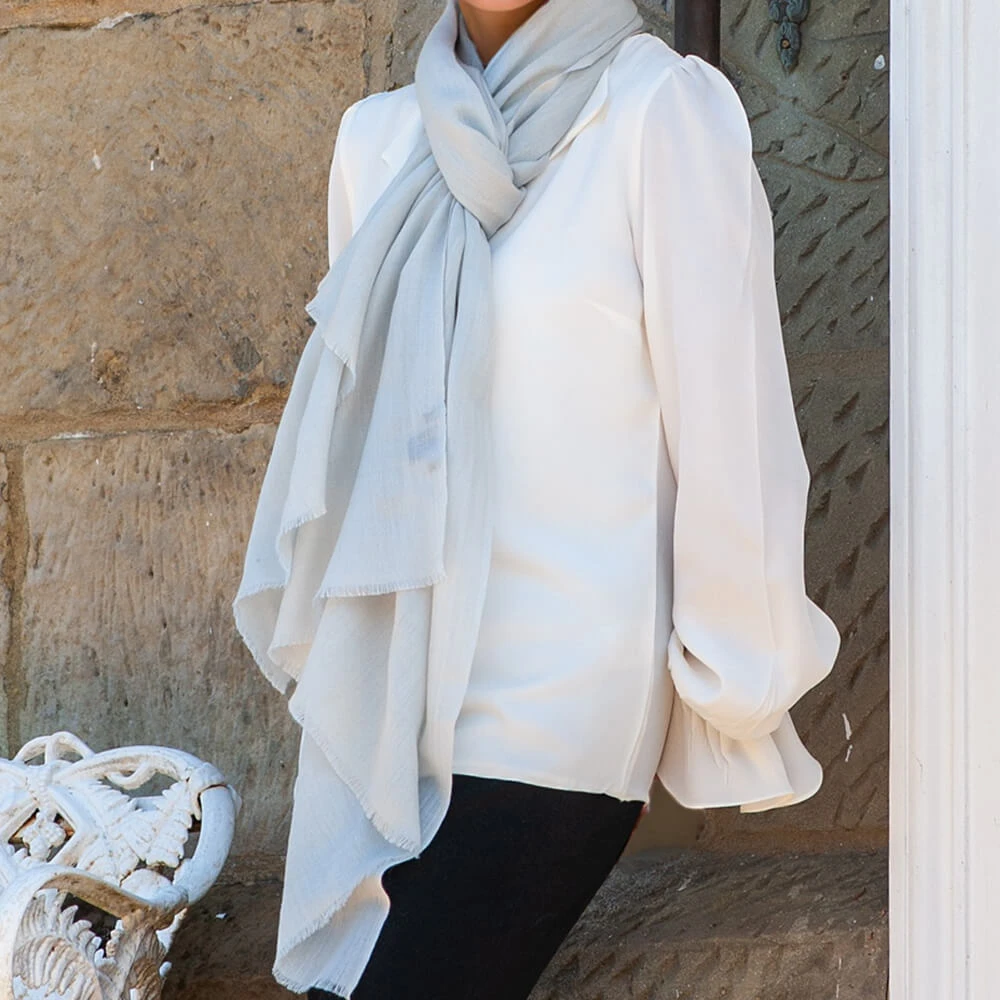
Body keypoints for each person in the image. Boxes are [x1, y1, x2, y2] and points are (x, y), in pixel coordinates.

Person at [231, 0, 843, 997]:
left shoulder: (658, 111)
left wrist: (731, 687)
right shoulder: (378, 143)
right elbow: (375, 444)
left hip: (558, 711)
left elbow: (733, 435)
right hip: (396, 709)